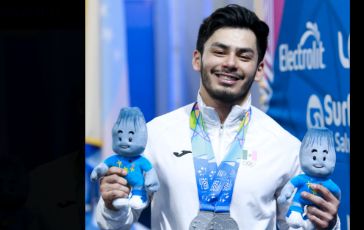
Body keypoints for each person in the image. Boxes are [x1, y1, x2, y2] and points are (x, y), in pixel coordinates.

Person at [96, 4, 340, 230]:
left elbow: (295, 225)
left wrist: (328, 225)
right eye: (220, 52)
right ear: (197, 59)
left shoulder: (285, 147)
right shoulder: (156, 134)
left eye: (244, 56)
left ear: (259, 70)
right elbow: (115, 224)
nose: (231, 63)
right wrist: (110, 205)